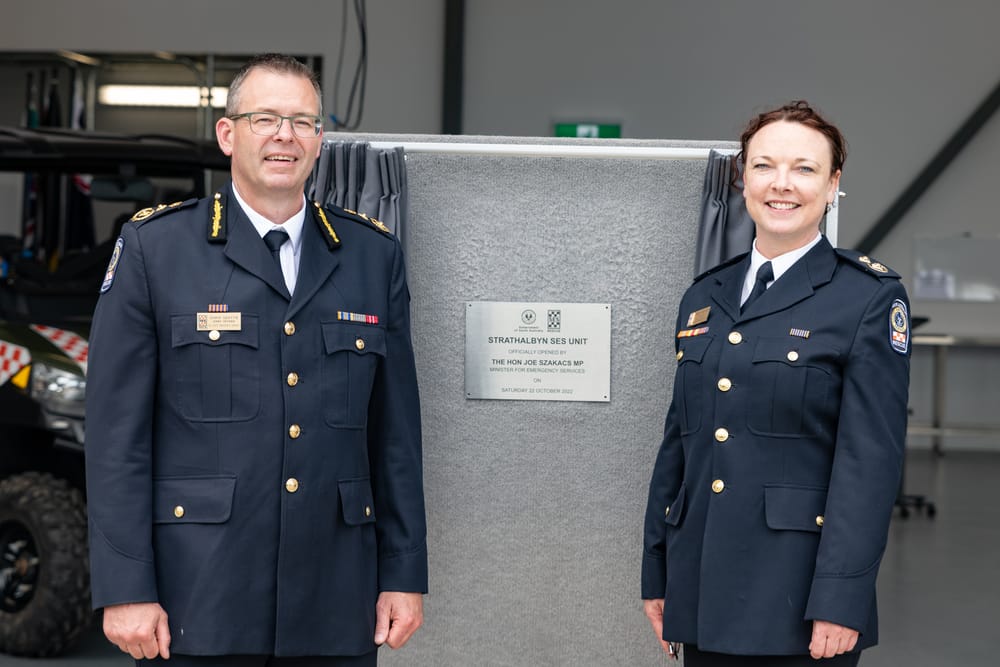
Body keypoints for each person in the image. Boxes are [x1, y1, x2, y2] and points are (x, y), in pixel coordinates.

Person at [85, 54, 427, 666]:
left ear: (321, 140)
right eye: (265, 118)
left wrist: (403, 573)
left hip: (335, 597)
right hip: (199, 599)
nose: (283, 136)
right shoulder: (156, 250)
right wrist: (125, 587)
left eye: (301, 121)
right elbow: (117, 439)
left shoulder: (372, 256)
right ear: (227, 134)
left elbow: (396, 435)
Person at [641, 101, 909, 666]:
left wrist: (842, 597)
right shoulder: (705, 296)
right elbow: (679, 447)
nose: (781, 184)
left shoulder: (866, 298)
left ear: (834, 184)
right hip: (703, 587)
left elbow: (870, 464)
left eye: (805, 169)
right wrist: (659, 571)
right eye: (763, 166)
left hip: (798, 600)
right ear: (743, 180)